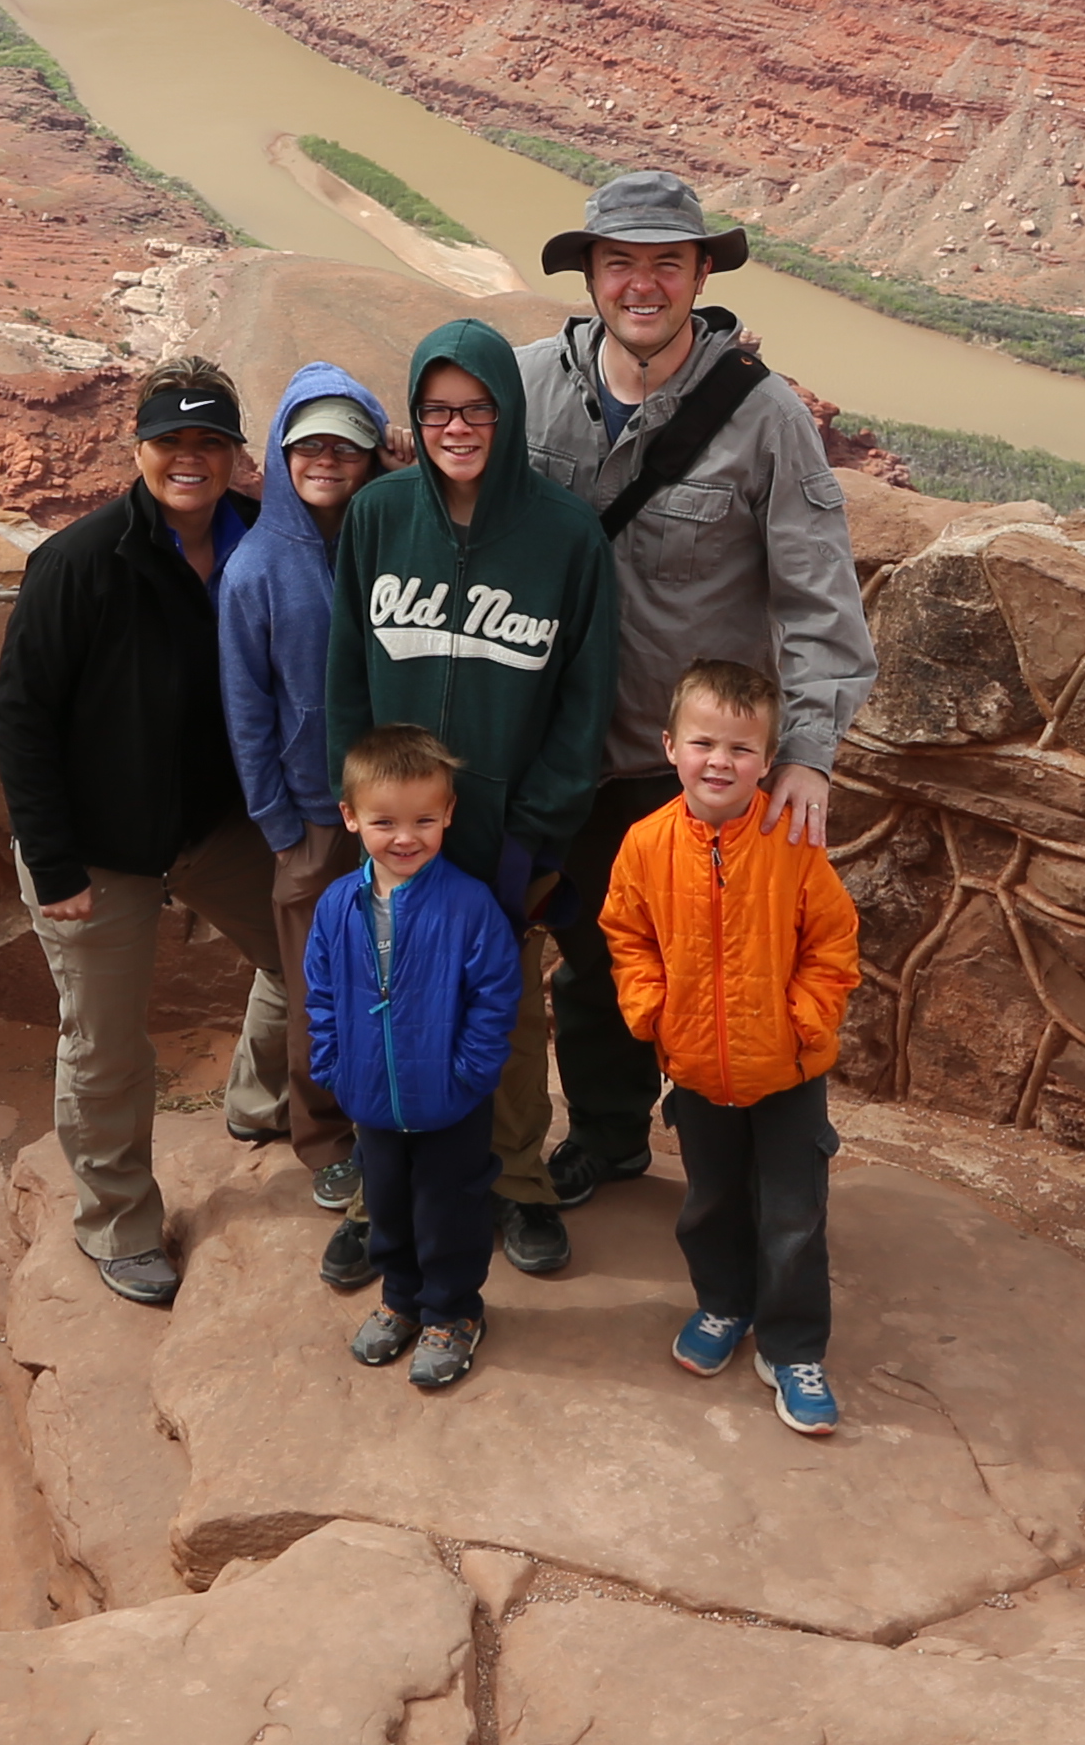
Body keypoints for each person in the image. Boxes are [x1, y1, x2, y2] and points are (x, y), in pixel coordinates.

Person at [516, 168, 878, 1208]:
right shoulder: (531, 385)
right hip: (554, 742)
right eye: (618, 263)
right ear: (588, 273)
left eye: (665, 264)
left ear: (701, 272)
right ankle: (612, 1135)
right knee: (593, 959)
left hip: (680, 762)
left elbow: (819, 603)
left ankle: (752, 1160)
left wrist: (808, 752)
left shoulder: (763, 418)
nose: (642, 286)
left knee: (727, 961)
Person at [319, 315, 617, 1280]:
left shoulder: (565, 536)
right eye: (438, 410)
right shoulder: (378, 516)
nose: (457, 428)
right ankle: (383, 1195)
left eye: (477, 408)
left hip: (501, 832)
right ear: (415, 415)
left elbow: (585, 700)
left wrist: (536, 836)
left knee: (509, 1012)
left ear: (508, 410)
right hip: (396, 827)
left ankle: (517, 1181)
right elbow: (345, 673)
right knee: (382, 1002)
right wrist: (352, 798)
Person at [0, 355, 284, 1306]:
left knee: (315, 958)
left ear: (236, 454)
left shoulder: (260, 547)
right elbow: (19, 717)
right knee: (108, 1044)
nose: (188, 459)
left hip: (215, 826)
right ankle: (118, 1222)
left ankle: (264, 1105)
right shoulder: (79, 561)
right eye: (171, 441)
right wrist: (55, 861)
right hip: (96, 846)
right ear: (139, 449)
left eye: (209, 442)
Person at [599, 655, 863, 1436]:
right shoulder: (646, 845)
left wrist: (804, 1023)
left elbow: (833, 942)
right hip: (694, 1069)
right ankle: (722, 1304)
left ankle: (792, 1347)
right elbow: (627, 933)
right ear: (669, 746)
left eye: (742, 749)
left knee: (794, 1215)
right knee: (709, 1203)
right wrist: (653, 1012)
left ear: (768, 760)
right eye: (704, 743)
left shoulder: (792, 841)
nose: (721, 761)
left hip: (786, 1072)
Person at [297, 719, 522, 1394]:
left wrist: (471, 1076)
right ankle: (401, 1298)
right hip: (370, 1096)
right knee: (389, 1204)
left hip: (451, 1100)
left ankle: (452, 1313)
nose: (405, 837)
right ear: (350, 817)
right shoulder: (338, 906)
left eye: (424, 819)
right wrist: (335, 1066)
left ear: (449, 814)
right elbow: (321, 990)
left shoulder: (469, 905)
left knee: (449, 1207)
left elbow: (495, 995)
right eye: (385, 821)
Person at [218, 360, 391, 1205]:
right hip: (315, 819)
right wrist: (280, 828)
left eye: (349, 446)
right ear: (283, 451)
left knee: (396, 974)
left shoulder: (393, 536)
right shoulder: (255, 568)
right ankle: (321, 1137)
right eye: (308, 443)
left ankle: (390, 1118)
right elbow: (246, 711)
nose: (327, 459)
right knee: (319, 987)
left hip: (399, 812)